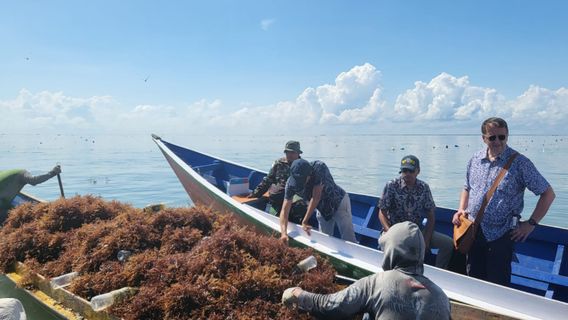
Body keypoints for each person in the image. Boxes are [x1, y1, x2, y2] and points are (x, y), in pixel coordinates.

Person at [452, 117, 555, 286]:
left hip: (501, 234)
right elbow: (466, 187)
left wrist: (530, 224)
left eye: (502, 137)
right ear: (484, 138)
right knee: (473, 279)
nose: (497, 142)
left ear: (507, 136)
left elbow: (548, 194)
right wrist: (461, 209)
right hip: (473, 230)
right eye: (492, 137)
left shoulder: (521, 163)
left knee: (497, 284)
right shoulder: (475, 159)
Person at [281, 221, 451, 319]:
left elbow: (331, 306)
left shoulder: (375, 283)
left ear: (391, 250)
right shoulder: (441, 296)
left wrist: (298, 293)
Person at [378, 155, 453, 269]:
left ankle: (440, 272)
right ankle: (390, 272)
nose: (407, 174)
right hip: (393, 229)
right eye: (404, 170)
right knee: (392, 245)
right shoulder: (391, 186)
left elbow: (431, 216)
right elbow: (381, 212)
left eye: (411, 171)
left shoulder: (424, 187)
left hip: (416, 231)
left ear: (418, 171)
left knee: (448, 244)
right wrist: (389, 231)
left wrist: (426, 239)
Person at [279, 158, 357, 244]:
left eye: (301, 180)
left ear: (309, 174)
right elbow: (284, 209)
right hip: (322, 208)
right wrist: (283, 233)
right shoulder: (290, 184)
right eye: (297, 180)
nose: (299, 183)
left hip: (339, 203)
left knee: (349, 239)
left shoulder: (319, 167)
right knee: (324, 240)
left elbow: (316, 197)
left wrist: (304, 221)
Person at [248, 140, 306, 223]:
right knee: (274, 212)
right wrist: (255, 194)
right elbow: (268, 180)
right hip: (279, 197)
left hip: (296, 199)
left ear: (298, 153)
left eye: (293, 152)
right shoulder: (279, 163)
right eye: (287, 152)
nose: (290, 155)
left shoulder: (304, 166)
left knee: (299, 206)